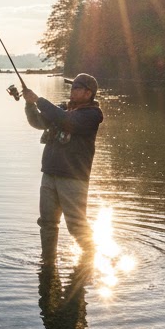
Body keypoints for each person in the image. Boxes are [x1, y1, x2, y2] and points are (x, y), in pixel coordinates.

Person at [22, 73, 103, 252]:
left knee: (76, 226)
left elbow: (66, 121)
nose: (72, 90)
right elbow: (38, 122)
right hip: (49, 174)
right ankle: (48, 263)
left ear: (88, 93)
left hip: (73, 179)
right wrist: (29, 104)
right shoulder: (63, 109)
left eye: (76, 87)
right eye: (72, 86)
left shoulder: (92, 115)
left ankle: (91, 258)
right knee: (47, 223)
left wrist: (38, 100)